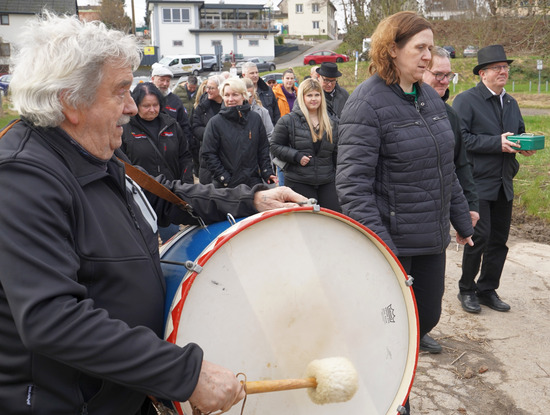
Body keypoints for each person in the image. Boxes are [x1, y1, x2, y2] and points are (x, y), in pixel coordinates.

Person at [0, 13, 308, 415]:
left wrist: (251, 199)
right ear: (70, 102)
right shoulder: (22, 179)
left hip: (122, 393)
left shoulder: (97, 152)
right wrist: (185, 375)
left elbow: (164, 195)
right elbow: (52, 319)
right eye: (121, 91)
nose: (131, 105)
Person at [336, 12, 474, 413]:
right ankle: (391, 401)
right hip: (393, 245)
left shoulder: (430, 97)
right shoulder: (366, 103)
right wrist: (384, 251)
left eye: (432, 48)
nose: (429, 57)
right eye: (421, 48)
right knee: (387, 331)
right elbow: (353, 187)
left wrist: (462, 221)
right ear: (392, 49)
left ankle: (395, 388)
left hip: (430, 240)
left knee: (425, 318)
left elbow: (444, 167)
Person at [453, 44, 536, 314]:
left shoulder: (510, 101)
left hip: (503, 181)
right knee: (480, 237)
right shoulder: (466, 100)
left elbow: (518, 132)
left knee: (499, 239)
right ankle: (466, 289)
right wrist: (495, 144)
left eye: (505, 68)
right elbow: (461, 140)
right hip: (478, 182)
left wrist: (525, 144)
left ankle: (487, 289)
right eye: (497, 68)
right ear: (482, 74)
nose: (503, 72)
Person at [420, 46, 480, 354]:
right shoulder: (402, 108)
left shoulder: (450, 116)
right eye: (438, 74)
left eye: (448, 75)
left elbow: (461, 165)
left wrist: (469, 205)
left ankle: (421, 331)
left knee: (431, 289)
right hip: (402, 212)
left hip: (437, 211)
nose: (444, 81)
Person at [121, 81, 193, 241]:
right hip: (139, 198)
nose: (152, 109)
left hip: (167, 195)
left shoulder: (171, 125)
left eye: (155, 105)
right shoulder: (124, 128)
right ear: (136, 104)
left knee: (173, 239)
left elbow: (185, 157)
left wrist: (186, 185)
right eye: (146, 106)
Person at [271, 78, 340, 211]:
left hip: (327, 180)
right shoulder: (288, 121)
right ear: (302, 97)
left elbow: (336, 153)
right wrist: (296, 156)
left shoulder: (332, 122)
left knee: (333, 219)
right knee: (306, 222)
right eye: (309, 95)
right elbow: (274, 146)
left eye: (317, 95)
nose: (314, 99)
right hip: (299, 181)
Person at [201, 78, 276, 188]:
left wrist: (267, 172)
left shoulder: (255, 119)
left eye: (235, 94)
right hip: (226, 187)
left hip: (253, 183)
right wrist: (225, 178)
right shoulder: (215, 123)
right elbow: (209, 154)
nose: (230, 99)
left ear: (243, 95)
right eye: (226, 95)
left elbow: (263, 149)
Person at [151, 65, 195, 179]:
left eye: (168, 81)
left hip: (172, 154)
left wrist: (184, 147)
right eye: (161, 80)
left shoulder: (175, 100)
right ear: (152, 79)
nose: (165, 84)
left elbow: (185, 126)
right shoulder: (143, 98)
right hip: (149, 154)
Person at [192, 74, 224, 184]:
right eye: (207, 87)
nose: (207, 90)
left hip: (226, 156)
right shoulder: (202, 106)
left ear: (220, 89)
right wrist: (212, 134)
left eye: (211, 88)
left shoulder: (229, 104)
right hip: (207, 158)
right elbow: (195, 128)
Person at [173, 75, 200, 177]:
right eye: (190, 87)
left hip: (194, 122)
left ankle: (195, 170)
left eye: (194, 87)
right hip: (183, 123)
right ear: (186, 84)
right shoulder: (178, 91)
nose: (192, 89)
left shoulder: (198, 91)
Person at [243, 77, 274, 141]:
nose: (247, 99)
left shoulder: (263, 112)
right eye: (244, 95)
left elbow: (271, 135)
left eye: (250, 96)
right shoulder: (232, 112)